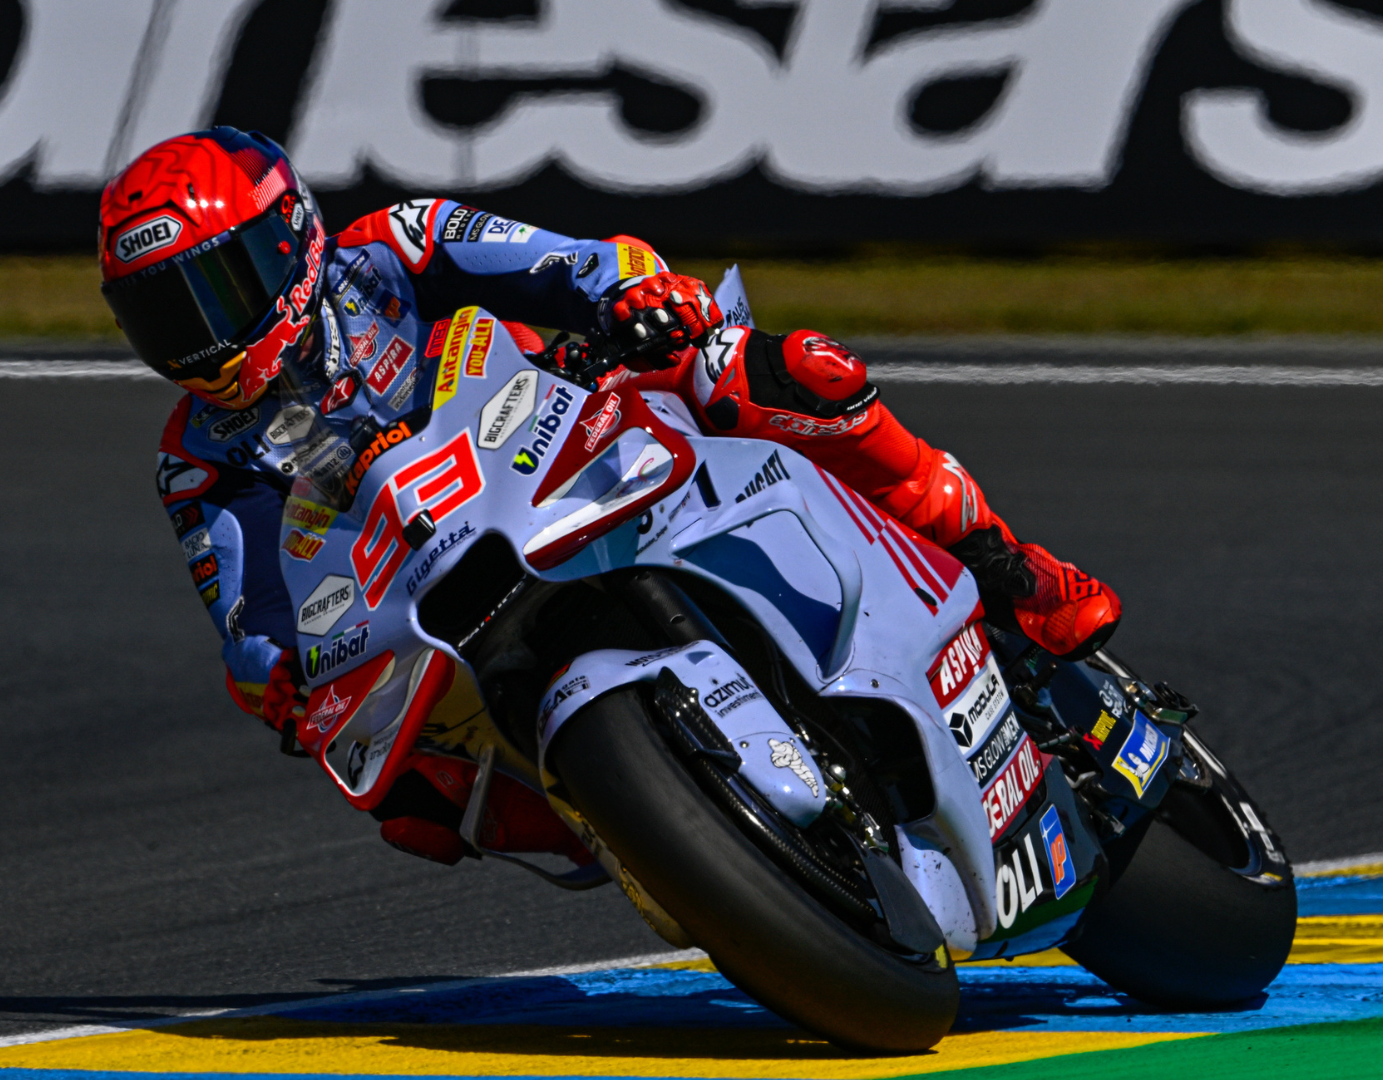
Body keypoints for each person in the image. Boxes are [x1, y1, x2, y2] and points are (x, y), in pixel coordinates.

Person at [102, 127, 1120, 866]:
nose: (196, 340)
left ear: (289, 243)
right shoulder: (198, 456)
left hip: (576, 429)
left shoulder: (393, 248)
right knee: (416, 801)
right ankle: (654, 834)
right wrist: (276, 674)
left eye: (214, 291)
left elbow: (563, 262)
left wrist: (633, 297)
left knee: (780, 370)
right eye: (161, 318)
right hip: (442, 574)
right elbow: (246, 614)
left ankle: (1006, 567)